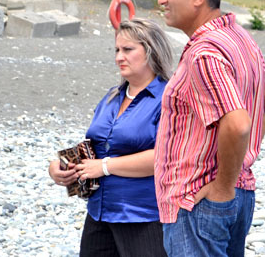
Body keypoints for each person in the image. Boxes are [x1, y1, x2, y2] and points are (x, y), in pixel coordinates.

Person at [155, 0, 265, 257]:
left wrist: (222, 187)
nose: (161, 0)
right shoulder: (242, 40)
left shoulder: (204, 52)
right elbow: (263, 118)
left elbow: (239, 124)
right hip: (237, 193)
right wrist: (233, 179)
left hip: (200, 200)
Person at [48, 18, 173, 257]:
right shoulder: (111, 96)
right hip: (99, 213)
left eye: (128, 49)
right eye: (117, 50)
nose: (119, 57)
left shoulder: (168, 98)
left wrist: (105, 167)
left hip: (143, 216)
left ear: (151, 51)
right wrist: (60, 167)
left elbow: (165, 157)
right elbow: (97, 147)